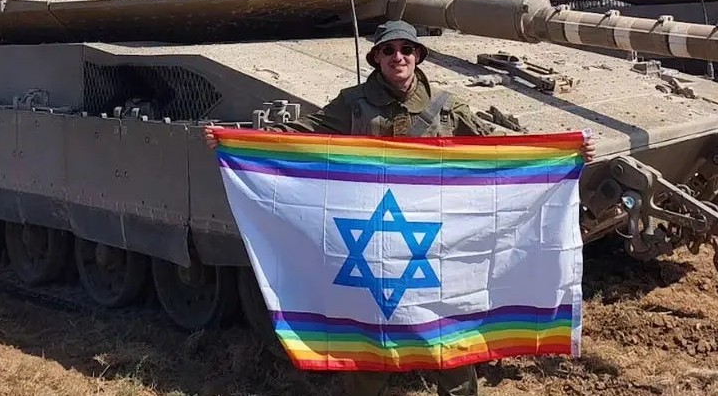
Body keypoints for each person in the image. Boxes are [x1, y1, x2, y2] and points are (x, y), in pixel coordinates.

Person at [205, 20, 596, 395]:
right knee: (371, 350)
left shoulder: (447, 108)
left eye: (406, 49)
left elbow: (495, 150)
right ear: (376, 58)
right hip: (373, 247)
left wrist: (561, 155)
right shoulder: (354, 104)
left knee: (451, 344)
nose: (398, 57)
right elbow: (303, 133)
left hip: (438, 248)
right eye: (388, 50)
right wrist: (236, 140)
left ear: (418, 55)